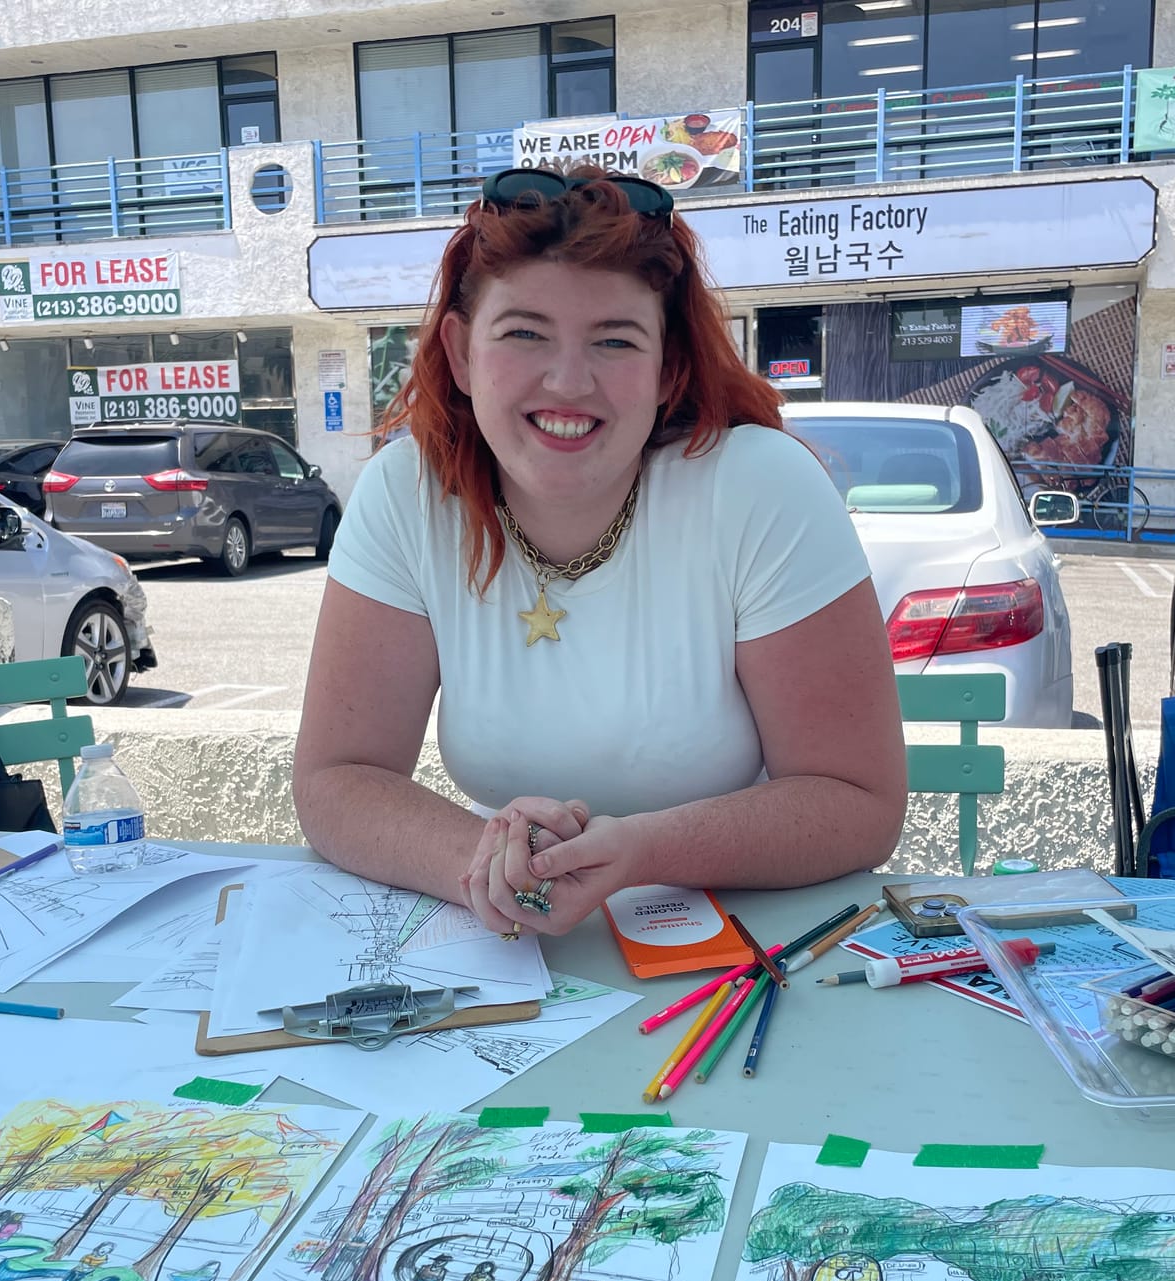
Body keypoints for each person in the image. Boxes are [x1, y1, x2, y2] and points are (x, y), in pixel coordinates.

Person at [294, 167, 906, 938]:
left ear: (667, 365)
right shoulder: (404, 495)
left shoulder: (760, 487)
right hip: (505, 944)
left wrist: (644, 850)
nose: (568, 380)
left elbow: (858, 801)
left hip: (740, 939)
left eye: (615, 340)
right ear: (459, 351)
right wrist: (489, 862)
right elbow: (336, 779)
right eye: (524, 333)